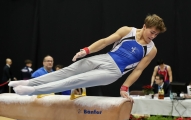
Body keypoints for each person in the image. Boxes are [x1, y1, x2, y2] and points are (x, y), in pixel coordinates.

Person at [9, 14, 166, 101]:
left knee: (76, 81)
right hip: (104, 58)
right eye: (151, 32)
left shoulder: (152, 50)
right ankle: (28, 82)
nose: (153, 36)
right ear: (144, 26)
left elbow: (138, 70)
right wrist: (87, 50)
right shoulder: (127, 31)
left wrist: (124, 87)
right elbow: (104, 42)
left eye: (156, 34)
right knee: (67, 71)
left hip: (113, 72)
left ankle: (33, 90)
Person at [32, 55, 54, 120]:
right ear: (43, 63)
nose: (50, 62)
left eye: (51, 61)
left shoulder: (54, 73)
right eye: (48, 61)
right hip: (42, 101)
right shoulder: (37, 73)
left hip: (51, 101)